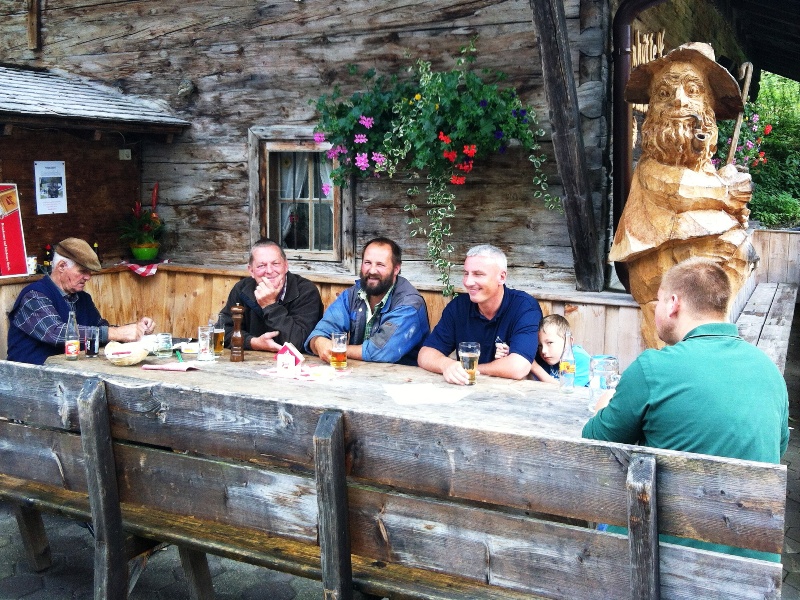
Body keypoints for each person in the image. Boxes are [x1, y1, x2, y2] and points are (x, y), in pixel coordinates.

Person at [582, 258, 789, 559]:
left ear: (673, 304)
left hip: (666, 560)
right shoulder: (769, 370)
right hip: (752, 561)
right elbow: (776, 448)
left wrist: (603, 405)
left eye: (658, 301)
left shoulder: (653, 368)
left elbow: (594, 446)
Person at [609, 42, 756, 349]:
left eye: (693, 90)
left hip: (701, 283)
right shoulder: (652, 166)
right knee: (671, 341)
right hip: (660, 270)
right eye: (664, 92)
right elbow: (678, 191)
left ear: (709, 103)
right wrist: (728, 194)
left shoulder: (704, 169)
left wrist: (732, 201)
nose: (678, 99)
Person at [7, 238, 155, 365]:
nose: (88, 277)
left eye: (89, 272)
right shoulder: (34, 296)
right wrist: (116, 333)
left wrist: (135, 329)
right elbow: (56, 333)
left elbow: (100, 330)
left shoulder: (82, 298)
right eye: (82, 271)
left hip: (69, 373)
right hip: (29, 377)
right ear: (61, 266)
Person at [418, 245, 542, 384]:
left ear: (501, 277)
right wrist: (446, 365)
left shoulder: (524, 307)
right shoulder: (458, 307)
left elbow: (518, 367)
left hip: (514, 393)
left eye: (478, 274)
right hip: (465, 390)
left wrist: (468, 370)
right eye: (466, 273)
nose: (468, 282)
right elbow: (425, 354)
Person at [305, 237, 429, 365]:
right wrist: (319, 341)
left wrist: (337, 349)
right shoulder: (352, 295)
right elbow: (323, 329)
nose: (372, 270)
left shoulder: (410, 304)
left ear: (396, 269)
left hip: (401, 375)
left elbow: (380, 351)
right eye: (367, 263)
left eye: (380, 264)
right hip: (357, 373)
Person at [220, 238, 323, 352]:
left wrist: (270, 305)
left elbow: (298, 343)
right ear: (251, 271)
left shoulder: (306, 291)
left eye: (275, 264)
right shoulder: (242, 289)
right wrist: (253, 342)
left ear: (286, 266)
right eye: (261, 266)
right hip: (252, 359)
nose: (269, 271)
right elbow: (222, 331)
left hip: (296, 362)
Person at [529, 314, 590, 386]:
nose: (543, 351)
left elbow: (567, 388)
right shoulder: (546, 359)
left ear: (569, 341)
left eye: (549, 343)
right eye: (540, 345)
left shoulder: (577, 358)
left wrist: (535, 368)